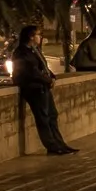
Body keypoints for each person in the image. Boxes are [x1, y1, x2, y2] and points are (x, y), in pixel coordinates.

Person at [12, 25, 73, 155]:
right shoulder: (21, 52)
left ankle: (60, 144)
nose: (41, 37)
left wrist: (52, 76)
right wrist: (47, 80)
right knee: (43, 118)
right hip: (34, 88)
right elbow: (31, 72)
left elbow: (43, 66)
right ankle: (52, 146)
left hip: (42, 87)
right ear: (31, 37)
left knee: (52, 115)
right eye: (38, 35)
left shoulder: (34, 50)